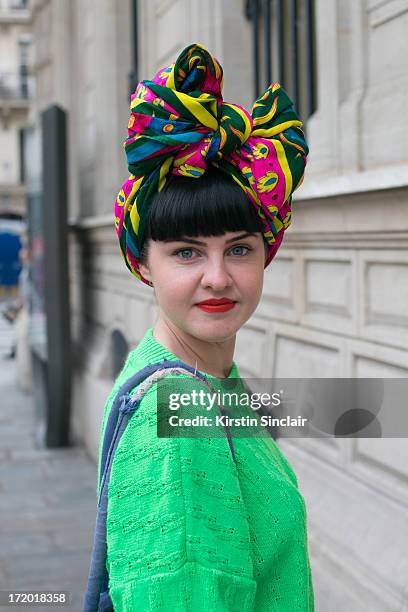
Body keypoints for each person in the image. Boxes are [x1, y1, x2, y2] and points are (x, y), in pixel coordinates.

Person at [99, 43, 314, 610]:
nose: (218, 278)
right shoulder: (175, 421)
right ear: (142, 262)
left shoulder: (210, 379)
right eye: (187, 252)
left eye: (239, 248)